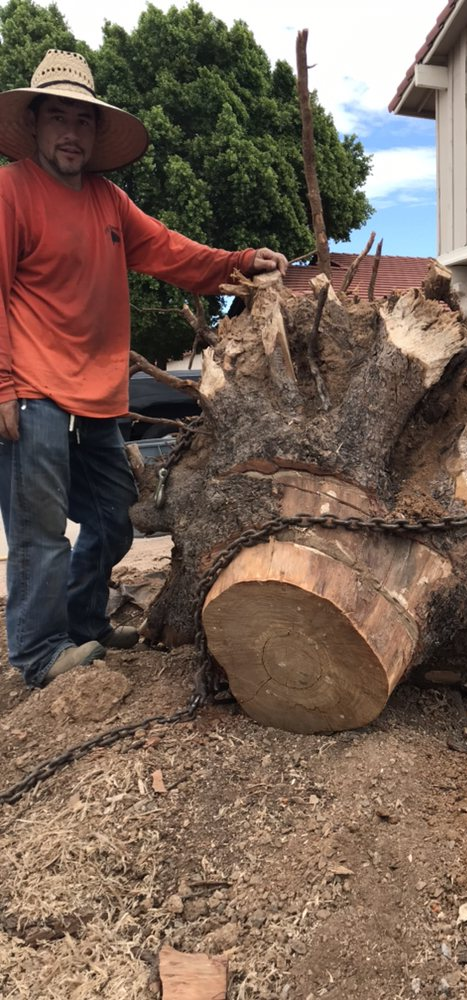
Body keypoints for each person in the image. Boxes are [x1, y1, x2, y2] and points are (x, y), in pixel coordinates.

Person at [0, 49, 288, 688]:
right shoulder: (11, 192)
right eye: (57, 117)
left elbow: (171, 252)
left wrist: (239, 260)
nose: (71, 132)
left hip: (96, 392)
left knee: (114, 513)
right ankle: (39, 654)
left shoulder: (109, 201)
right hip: (33, 392)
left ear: (95, 132)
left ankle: (83, 622)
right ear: (37, 125)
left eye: (83, 120)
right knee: (39, 531)